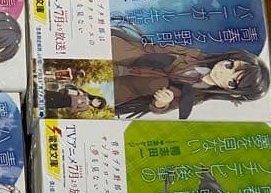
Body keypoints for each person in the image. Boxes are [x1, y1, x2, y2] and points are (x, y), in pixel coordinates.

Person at [111, 27, 270, 119]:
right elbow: (162, 48)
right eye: (229, 65)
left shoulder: (196, 96)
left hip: (127, 88)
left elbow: (161, 108)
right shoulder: (195, 56)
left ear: (233, 93)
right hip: (129, 56)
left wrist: (161, 102)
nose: (222, 73)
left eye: (232, 82)